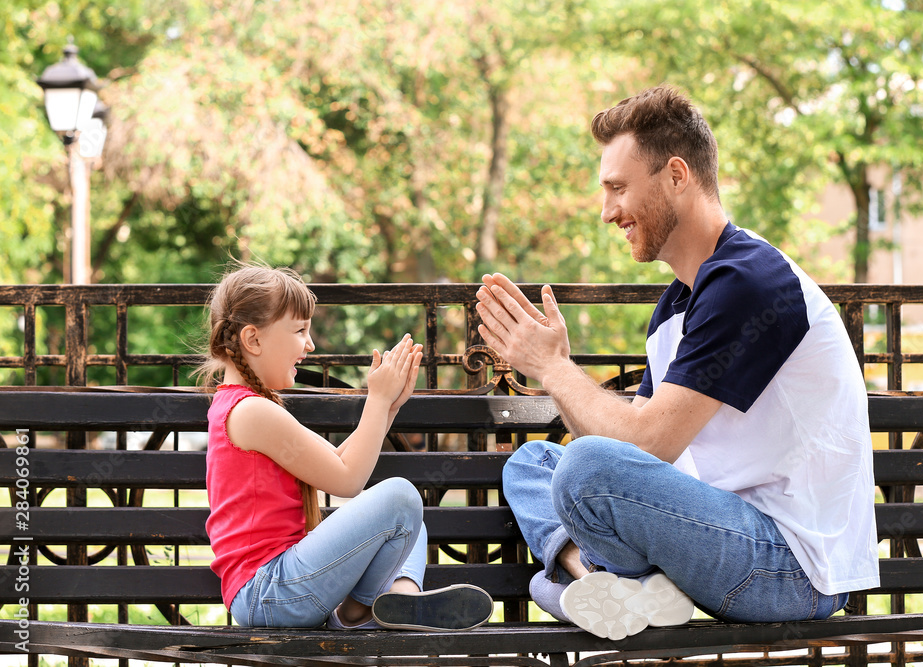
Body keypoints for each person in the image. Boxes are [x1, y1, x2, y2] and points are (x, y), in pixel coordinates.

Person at [475, 86, 879, 641]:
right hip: (718, 533)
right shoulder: (678, 302)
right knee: (533, 463)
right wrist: (562, 366)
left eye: (618, 188)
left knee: (584, 468)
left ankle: (572, 586)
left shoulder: (748, 281)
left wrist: (552, 370)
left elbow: (645, 447)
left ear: (676, 176)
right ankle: (596, 583)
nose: (607, 211)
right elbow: (629, 441)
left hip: (791, 566)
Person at [200, 264, 494, 631]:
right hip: (269, 592)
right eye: (300, 331)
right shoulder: (251, 411)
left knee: (411, 522)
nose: (309, 345)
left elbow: (337, 461)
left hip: (280, 586)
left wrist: (387, 406)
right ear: (253, 339)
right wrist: (376, 399)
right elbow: (347, 479)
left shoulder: (244, 406)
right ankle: (360, 611)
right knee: (402, 498)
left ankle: (399, 600)